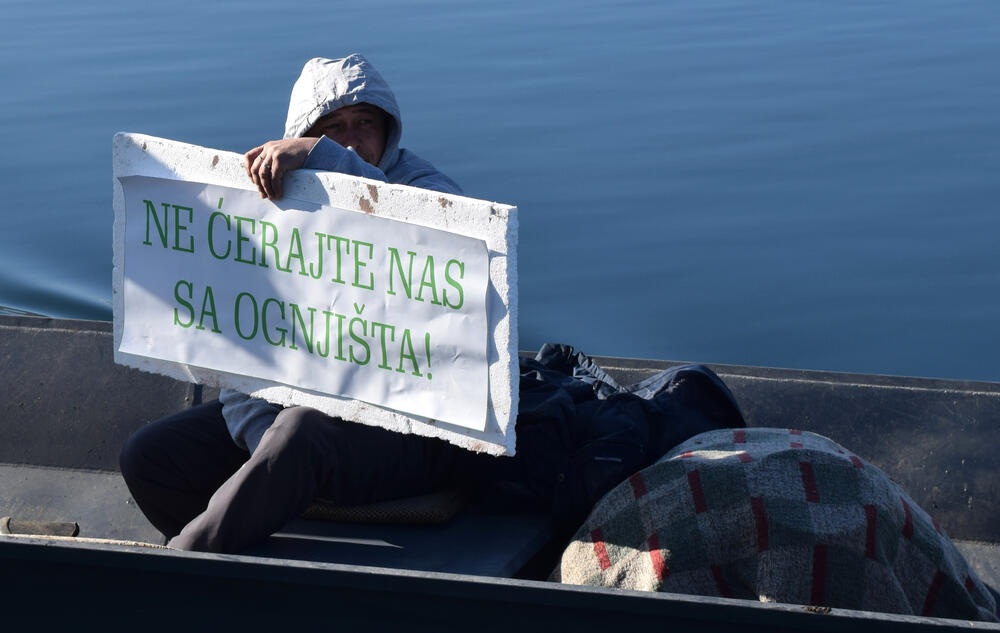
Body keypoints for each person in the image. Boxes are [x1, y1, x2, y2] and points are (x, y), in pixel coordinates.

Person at [120, 54, 746, 554]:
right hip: (310, 408)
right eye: (333, 128)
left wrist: (321, 158)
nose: (352, 141)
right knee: (150, 456)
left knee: (302, 434)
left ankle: (183, 570)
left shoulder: (428, 192)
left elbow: (405, 226)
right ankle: (258, 570)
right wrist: (264, 435)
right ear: (302, 131)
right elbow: (243, 358)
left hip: (419, 425)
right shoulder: (272, 201)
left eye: (364, 124)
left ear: (386, 130)